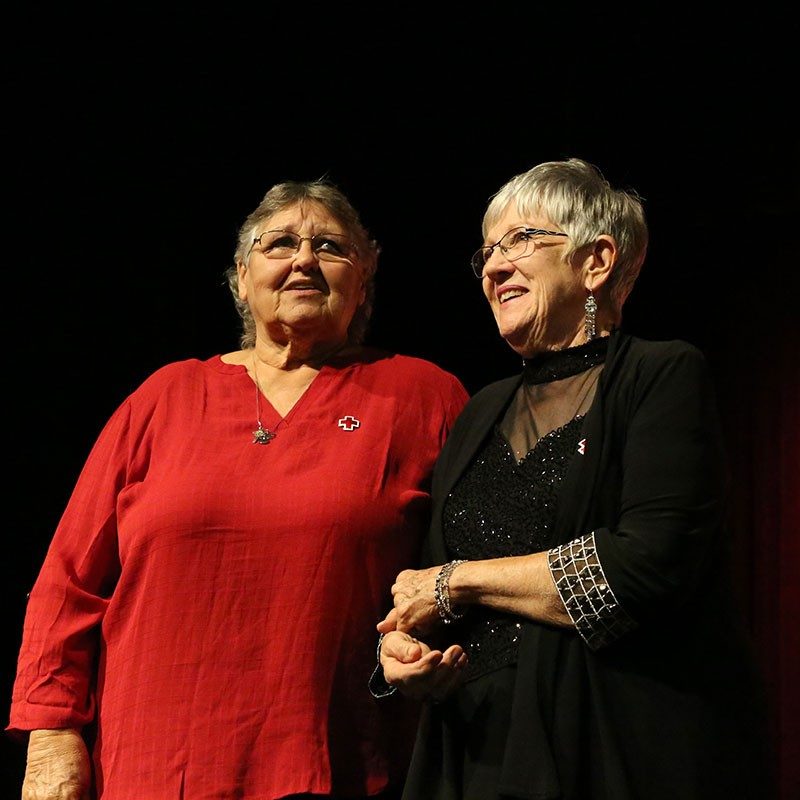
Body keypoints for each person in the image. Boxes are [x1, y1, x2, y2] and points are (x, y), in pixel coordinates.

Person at [8, 179, 469, 799]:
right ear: (241, 274)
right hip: (151, 767)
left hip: (336, 764)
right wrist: (52, 735)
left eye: (330, 246)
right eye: (279, 243)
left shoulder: (423, 395)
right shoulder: (164, 397)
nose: (304, 259)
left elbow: (470, 564)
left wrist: (431, 647)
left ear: (365, 274)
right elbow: (69, 581)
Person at [373, 158, 773, 799]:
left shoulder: (661, 375)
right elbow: (430, 596)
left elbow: (643, 568)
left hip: (615, 744)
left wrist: (458, 584)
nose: (495, 267)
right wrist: (410, 656)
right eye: (487, 253)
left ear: (597, 262)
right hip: (477, 752)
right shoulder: (480, 410)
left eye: (521, 240)